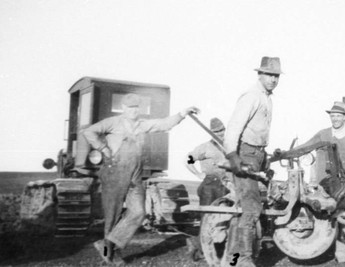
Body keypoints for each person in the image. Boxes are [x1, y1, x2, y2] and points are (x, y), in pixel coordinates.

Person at [82, 93, 199, 265]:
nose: (133, 111)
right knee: (112, 215)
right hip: (114, 173)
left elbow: (164, 123)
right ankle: (110, 254)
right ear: (124, 108)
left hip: (135, 175)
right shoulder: (113, 122)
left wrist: (182, 113)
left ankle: (109, 244)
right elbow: (89, 131)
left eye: (136, 107)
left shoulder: (143, 125)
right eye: (130, 108)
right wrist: (103, 149)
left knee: (138, 212)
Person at [277, 101, 345, 266]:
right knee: (330, 214)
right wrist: (285, 154)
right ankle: (331, 248)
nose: (335, 119)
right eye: (332, 116)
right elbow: (306, 147)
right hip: (329, 181)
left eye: (338, 116)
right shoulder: (323, 134)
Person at [223, 56, 282, 267]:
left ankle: (233, 258)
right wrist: (233, 157)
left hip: (257, 154)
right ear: (260, 74)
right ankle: (242, 260)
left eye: (276, 76)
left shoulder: (268, 99)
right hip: (244, 154)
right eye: (269, 75)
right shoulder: (251, 96)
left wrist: (264, 157)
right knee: (251, 208)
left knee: (251, 207)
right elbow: (233, 129)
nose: (273, 79)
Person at [185, 117, 230, 206]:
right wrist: (197, 173)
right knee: (206, 215)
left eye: (221, 130)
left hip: (226, 186)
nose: (220, 133)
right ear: (211, 133)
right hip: (210, 185)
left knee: (227, 215)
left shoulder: (230, 146)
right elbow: (188, 160)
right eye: (216, 132)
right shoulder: (205, 148)